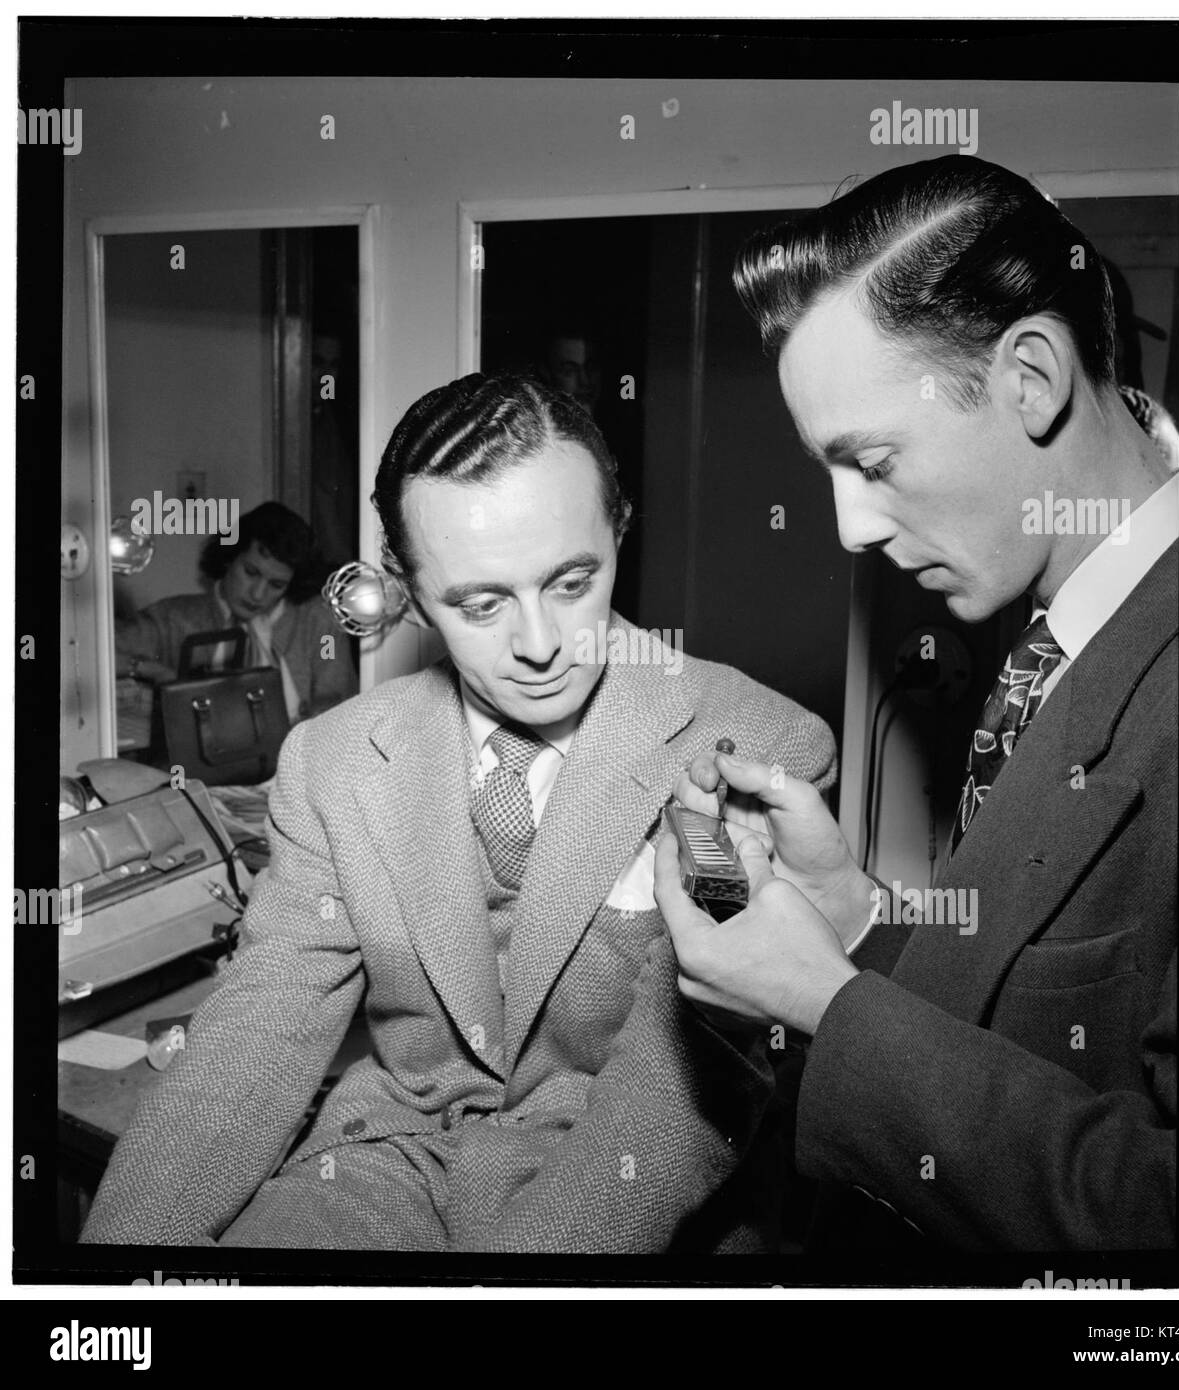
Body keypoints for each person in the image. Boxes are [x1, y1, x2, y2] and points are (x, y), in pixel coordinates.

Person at [81, 371, 836, 1252]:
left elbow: (683, 1088)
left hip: (627, 1186)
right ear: (403, 586)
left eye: (571, 581)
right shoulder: (334, 763)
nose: (542, 644)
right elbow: (258, 1033)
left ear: (619, 528)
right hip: (385, 1161)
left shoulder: (751, 745)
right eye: (480, 604)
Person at [654, 155, 1179, 1252]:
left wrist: (823, 1006)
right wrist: (851, 916)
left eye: (873, 460)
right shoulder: (1057, 616)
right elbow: (1023, 1003)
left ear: (1029, 379)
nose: (849, 528)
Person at [115, 501, 356, 725]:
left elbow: (337, 697)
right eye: (251, 572)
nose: (258, 594)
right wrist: (153, 671)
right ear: (229, 558)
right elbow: (98, 655)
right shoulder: (174, 618)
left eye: (276, 585)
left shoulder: (319, 624)